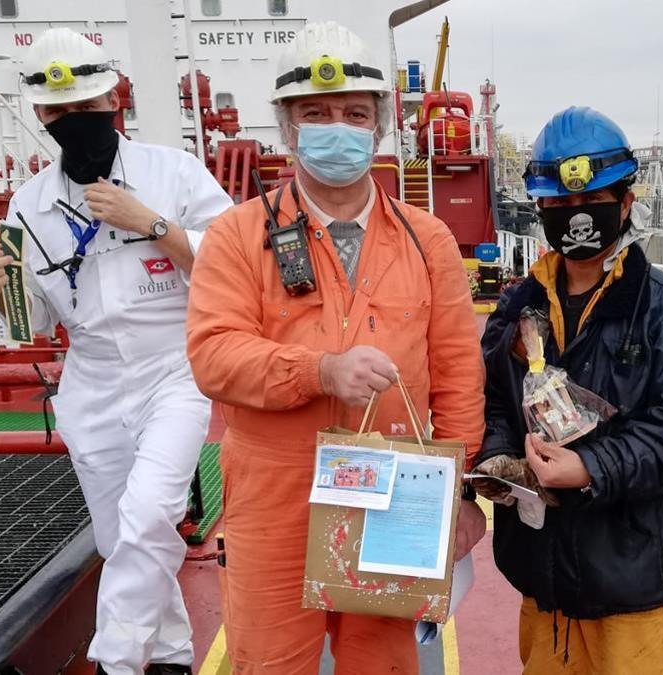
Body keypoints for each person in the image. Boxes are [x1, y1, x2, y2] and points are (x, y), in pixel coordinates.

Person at [183, 21, 486, 674]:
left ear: (378, 126)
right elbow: (212, 353)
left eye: (353, 112)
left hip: (395, 499)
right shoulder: (237, 236)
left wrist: (461, 493)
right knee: (269, 661)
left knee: (384, 664)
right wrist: (319, 371)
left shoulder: (427, 239)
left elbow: (460, 373)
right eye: (315, 113)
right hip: (273, 503)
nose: (336, 126)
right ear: (288, 129)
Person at [0, 28, 233, 675]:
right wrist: (2, 290)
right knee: (123, 537)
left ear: (114, 98)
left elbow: (237, 259)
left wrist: (153, 223)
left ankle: (113, 658)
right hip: (91, 381)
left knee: (149, 514)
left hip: (173, 369)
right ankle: (170, 654)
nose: (73, 122)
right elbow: (33, 319)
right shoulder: (28, 206)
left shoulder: (172, 172)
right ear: (39, 114)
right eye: (59, 114)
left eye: (86, 108)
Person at [471, 106, 663, 674]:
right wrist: (499, 458)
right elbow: (497, 402)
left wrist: (589, 468)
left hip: (630, 579)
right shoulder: (516, 307)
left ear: (626, 203)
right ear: (539, 210)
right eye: (557, 205)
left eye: (593, 201)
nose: (575, 216)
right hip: (542, 572)